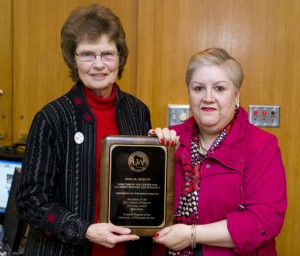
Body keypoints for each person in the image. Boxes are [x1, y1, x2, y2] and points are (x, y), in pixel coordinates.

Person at [16, 3, 153, 256]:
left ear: (119, 57)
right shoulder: (52, 118)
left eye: (107, 54)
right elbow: (30, 201)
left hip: (128, 249)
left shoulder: (138, 112)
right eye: (87, 54)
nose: (98, 64)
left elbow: (144, 180)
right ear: (73, 58)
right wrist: (85, 230)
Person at [150, 48, 287, 255]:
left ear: (237, 93)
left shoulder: (262, 145)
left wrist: (192, 234)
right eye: (198, 88)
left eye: (219, 89)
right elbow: (143, 207)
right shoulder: (170, 140)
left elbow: (264, 220)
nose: (208, 98)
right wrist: (156, 161)